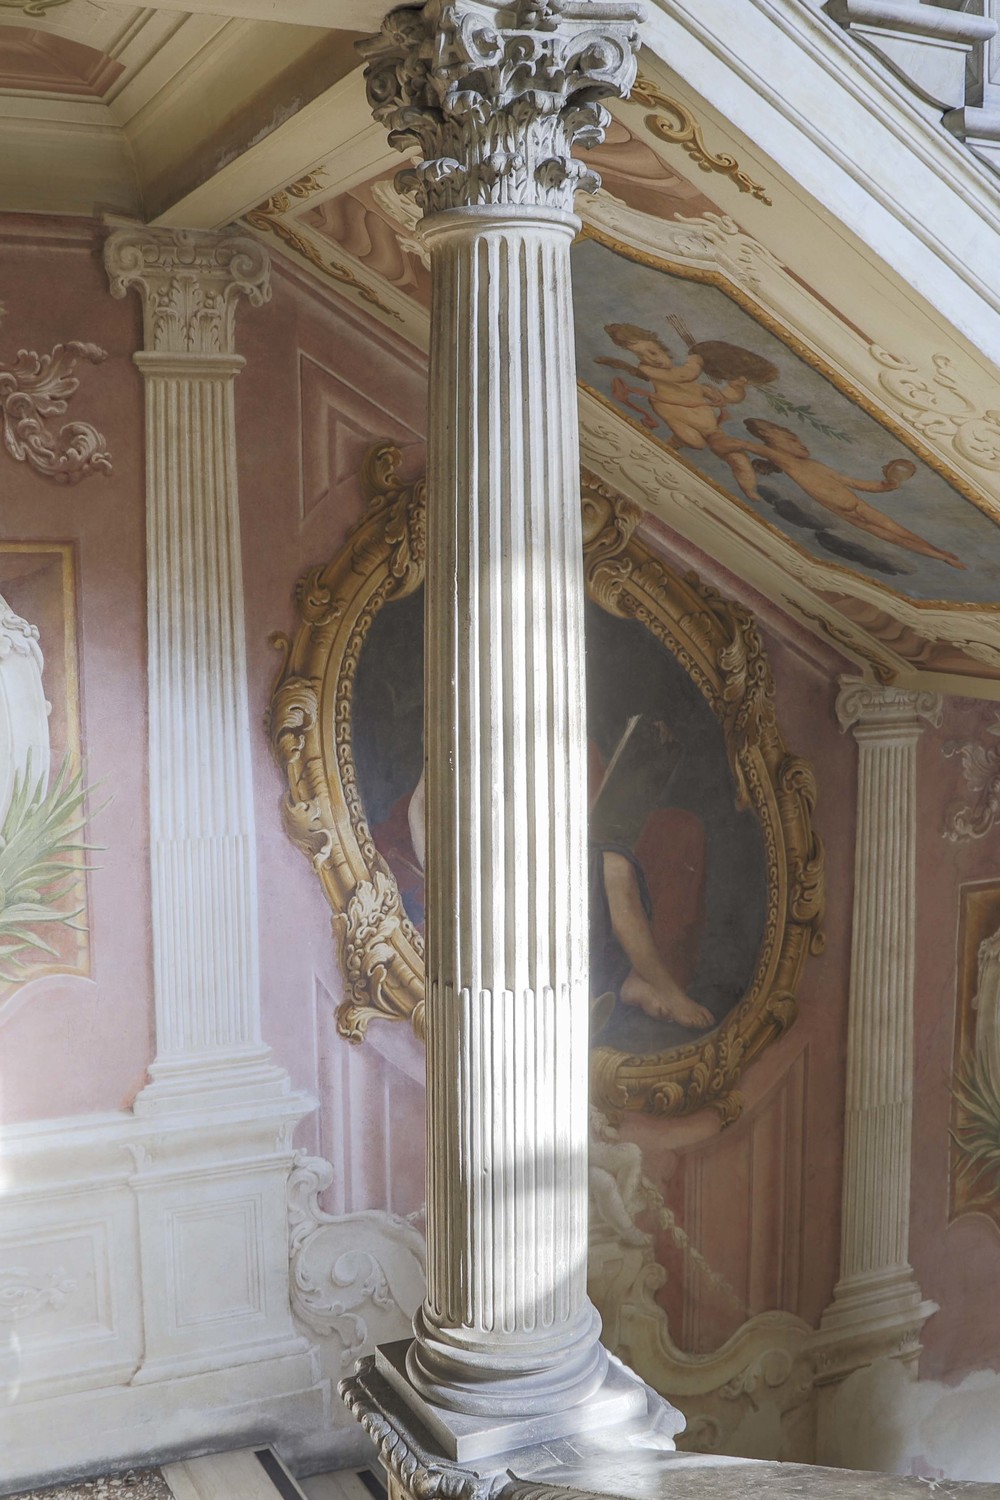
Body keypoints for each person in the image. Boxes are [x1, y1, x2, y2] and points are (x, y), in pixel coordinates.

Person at [590, 715, 712, 1031]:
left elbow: (601, 801)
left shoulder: (582, 747)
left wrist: (646, 752)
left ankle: (627, 982)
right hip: (532, 862)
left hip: (583, 850)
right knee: (614, 868)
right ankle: (664, 990)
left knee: (678, 830)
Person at [733, 418, 965, 568]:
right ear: (770, 437)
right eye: (792, 439)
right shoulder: (786, 461)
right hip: (847, 513)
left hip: (858, 506)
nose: (801, 443)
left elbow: (852, 482)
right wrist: (728, 436)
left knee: (899, 531)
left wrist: (884, 486)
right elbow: (752, 445)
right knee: (893, 537)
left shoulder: (814, 464)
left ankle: (940, 552)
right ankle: (940, 556)